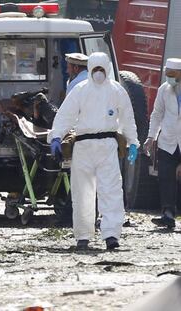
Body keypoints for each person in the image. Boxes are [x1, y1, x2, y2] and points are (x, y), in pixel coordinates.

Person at [47, 52, 139, 250]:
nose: (98, 73)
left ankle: (111, 235)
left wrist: (133, 142)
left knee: (111, 190)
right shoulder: (80, 90)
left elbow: (127, 119)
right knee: (82, 193)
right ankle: (83, 235)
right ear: (90, 69)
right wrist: (56, 136)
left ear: (107, 68)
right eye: (95, 69)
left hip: (107, 145)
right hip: (83, 146)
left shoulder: (117, 91)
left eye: (101, 69)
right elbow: (65, 116)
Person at [143, 58, 181, 229]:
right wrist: (151, 137)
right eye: (167, 74)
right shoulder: (164, 90)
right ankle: (168, 213)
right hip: (167, 140)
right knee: (165, 177)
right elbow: (157, 114)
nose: (169, 78)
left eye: (172, 75)